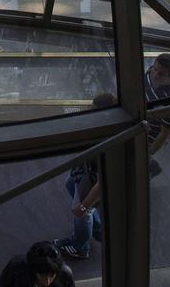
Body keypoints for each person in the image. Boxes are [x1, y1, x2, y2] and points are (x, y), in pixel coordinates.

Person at [55, 93, 115, 260]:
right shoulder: (102, 125)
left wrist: (83, 207)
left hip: (91, 178)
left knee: (81, 211)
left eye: (94, 109)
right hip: (84, 171)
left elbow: (103, 181)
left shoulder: (109, 138)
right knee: (69, 184)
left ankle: (80, 246)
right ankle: (98, 228)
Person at [144, 53, 170, 175]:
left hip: (148, 135)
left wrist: (147, 154)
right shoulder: (149, 73)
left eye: (161, 74)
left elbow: (164, 134)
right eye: (155, 69)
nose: (155, 75)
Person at [0, 242, 75, 287]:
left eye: (51, 275)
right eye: (42, 276)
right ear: (33, 270)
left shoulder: (65, 274)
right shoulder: (16, 267)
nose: (47, 282)